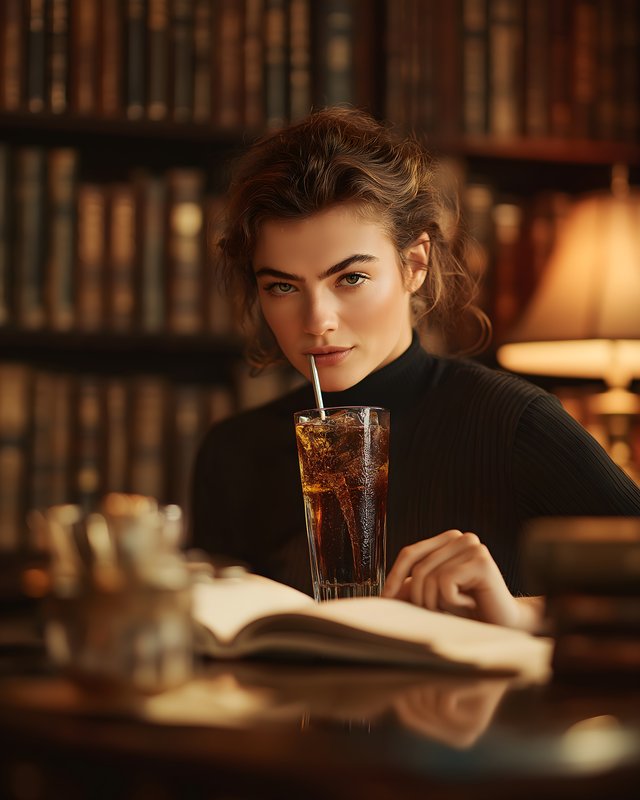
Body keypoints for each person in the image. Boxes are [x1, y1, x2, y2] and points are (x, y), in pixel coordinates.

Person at [190, 107, 640, 632]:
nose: (317, 321)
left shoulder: (514, 422)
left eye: (350, 278)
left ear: (415, 264)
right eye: (283, 286)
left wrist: (521, 613)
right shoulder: (232, 452)